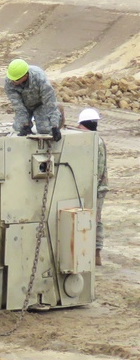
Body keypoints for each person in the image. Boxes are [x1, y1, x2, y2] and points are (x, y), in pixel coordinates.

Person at [77, 108, 108, 266]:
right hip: (93, 188)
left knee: (94, 220)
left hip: (96, 189)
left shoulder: (94, 142)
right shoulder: (93, 139)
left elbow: (98, 170)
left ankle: (96, 254)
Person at [4, 59, 62, 141]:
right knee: (19, 128)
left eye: (16, 80)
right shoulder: (9, 82)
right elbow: (18, 105)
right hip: (25, 106)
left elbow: (50, 102)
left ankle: (59, 113)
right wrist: (26, 124)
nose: (12, 81)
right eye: (11, 79)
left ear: (25, 76)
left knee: (45, 130)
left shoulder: (40, 79)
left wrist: (55, 126)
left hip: (40, 104)